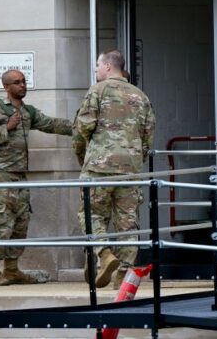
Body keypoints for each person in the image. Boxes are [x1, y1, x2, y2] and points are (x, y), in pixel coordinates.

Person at [0, 69, 73, 286]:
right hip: (0, 176)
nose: (22, 86)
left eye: (24, 81)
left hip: (20, 177)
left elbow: (51, 124)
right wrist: (5, 129)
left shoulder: (28, 112)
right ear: (6, 87)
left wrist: (81, 127)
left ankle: (11, 269)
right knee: (0, 224)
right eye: (17, 83)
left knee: (20, 224)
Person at [74, 49, 155, 289]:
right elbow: (148, 135)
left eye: (98, 65)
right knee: (128, 222)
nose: (96, 70)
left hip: (99, 166)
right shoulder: (141, 96)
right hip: (130, 169)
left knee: (91, 213)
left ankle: (104, 253)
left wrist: (85, 156)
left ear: (109, 66)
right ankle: (124, 276)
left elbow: (84, 127)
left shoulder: (97, 91)